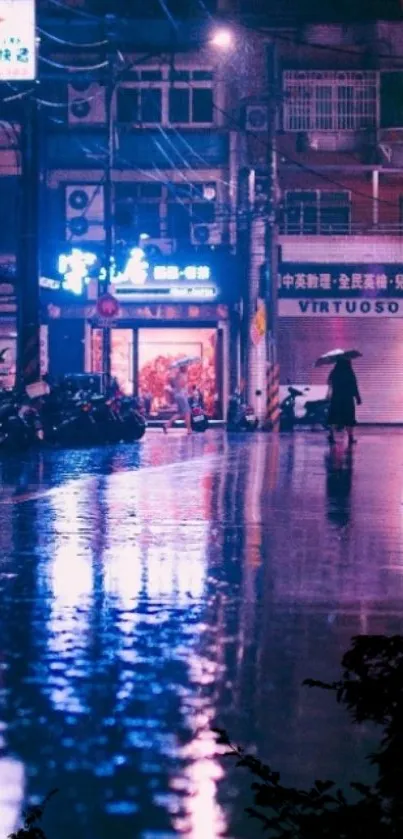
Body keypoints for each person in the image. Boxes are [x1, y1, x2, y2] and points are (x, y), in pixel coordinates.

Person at [327, 358, 361, 446]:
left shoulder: (334, 372)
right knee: (349, 418)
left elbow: (329, 383)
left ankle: (331, 436)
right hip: (347, 398)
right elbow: (354, 385)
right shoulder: (349, 372)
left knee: (334, 418)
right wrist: (357, 398)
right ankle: (350, 438)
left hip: (336, 398)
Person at [164, 365, 192, 434]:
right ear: (183, 367)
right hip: (181, 396)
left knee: (180, 413)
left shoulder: (177, 375)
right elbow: (181, 385)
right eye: (186, 366)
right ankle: (189, 429)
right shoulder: (180, 375)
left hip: (178, 395)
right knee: (187, 412)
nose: (187, 367)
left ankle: (167, 425)